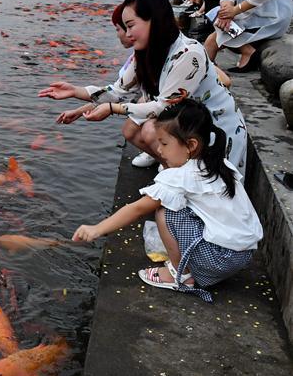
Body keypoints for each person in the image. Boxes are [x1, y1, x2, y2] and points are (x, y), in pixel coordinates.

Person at [73, 99, 262, 302]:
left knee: (164, 211)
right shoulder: (219, 163)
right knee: (176, 203)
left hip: (217, 260)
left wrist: (97, 229)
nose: (159, 150)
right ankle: (192, 264)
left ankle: (180, 276)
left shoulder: (181, 176)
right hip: (242, 256)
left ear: (191, 145)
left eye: (164, 143)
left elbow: (137, 208)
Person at [38, 0, 245, 172]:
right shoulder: (146, 53)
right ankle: (174, 169)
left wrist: (112, 109)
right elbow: (118, 91)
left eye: (130, 25)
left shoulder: (188, 54)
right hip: (187, 124)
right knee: (139, 128)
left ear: (153, 20)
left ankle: (179, 172)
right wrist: (75, 90)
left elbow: (163, 107)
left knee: (148, 129)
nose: (127, 34)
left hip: (216, 131)